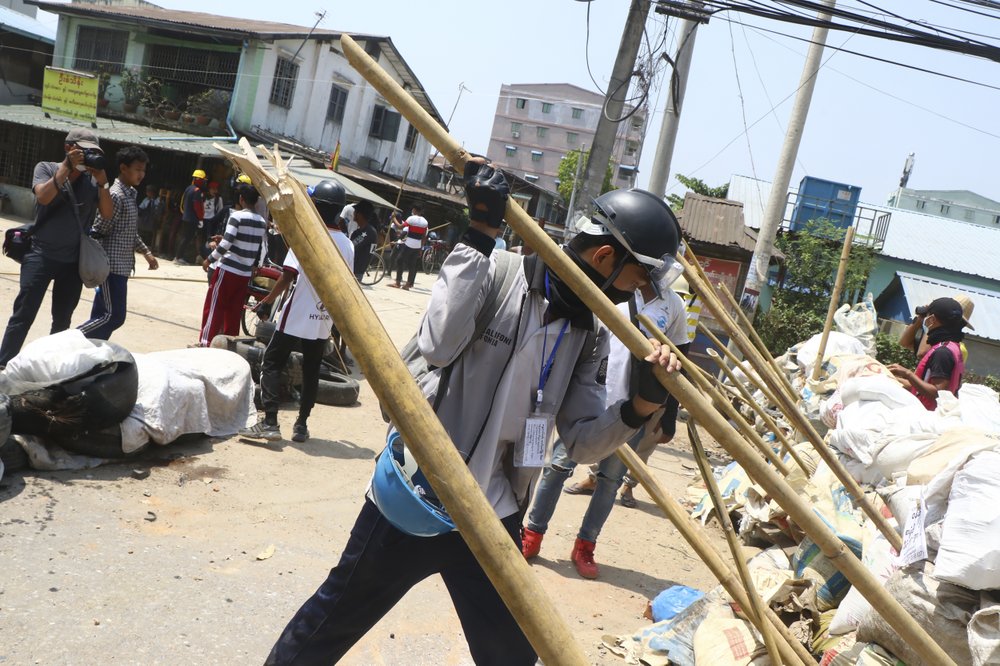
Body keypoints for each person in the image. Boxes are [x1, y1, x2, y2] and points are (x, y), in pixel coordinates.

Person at [263, 161, 681, 666]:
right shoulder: (497, 274)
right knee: (330, 622)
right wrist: (479, 235)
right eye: (638, 277)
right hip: (422, 493)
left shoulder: (587, 333)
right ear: (606, 255)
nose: (637, 291)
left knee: (510, 654)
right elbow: (438, 345)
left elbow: (583, 442)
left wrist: (639, 407)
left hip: (495, 514)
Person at [521, 275, 689, 579]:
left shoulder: (673, 304)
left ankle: (585, 545)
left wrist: (668, 416)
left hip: (632, 409)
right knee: (557, 466)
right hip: (590, 397)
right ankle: (532, 533)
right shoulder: (615, 288)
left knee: (610, 480)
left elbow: (680, 358)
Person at [240, 180, 354, 443]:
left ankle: (269, 422)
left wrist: (267, 300)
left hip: (297, 313)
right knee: (312, 369)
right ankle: (301, 425)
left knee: (271, 361)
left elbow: (287, 276)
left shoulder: (307, 236)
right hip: (323, 317)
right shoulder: (348, 245)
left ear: (318, 207)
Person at [0, 128, 113, 367]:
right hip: (40, 255)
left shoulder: (93, 181)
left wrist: (103, 184)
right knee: (23, 315)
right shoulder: (47, 168)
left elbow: (107, 213)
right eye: (83, 151)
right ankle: (3, 364)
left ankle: (50, 368)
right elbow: (43, 196)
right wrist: (66, 169)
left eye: (92, 152)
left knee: (62, 321)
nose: (87, 156)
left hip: (72, 263)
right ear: (68, 148)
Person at [77, 146, 159, 340]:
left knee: (102, 315)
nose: (141, 174)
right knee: (113, 316)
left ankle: (91, 352)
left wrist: (146, 252)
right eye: (138, 169)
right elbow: (99, 228)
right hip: (110, 267)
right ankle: (73, 337)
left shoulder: (130, 194)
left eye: (143, 170)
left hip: (122, 267)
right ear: (123, 168)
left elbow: (129, 231)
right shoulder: (115, 195)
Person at [196, 182, 268, 346]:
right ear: (256, 201)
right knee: (234, 312)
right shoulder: (262, 222)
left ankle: (206, 342)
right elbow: (259, 248)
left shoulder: (236, 217)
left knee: (214, 307)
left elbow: (226, 244)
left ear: (241, 199)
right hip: (244, 274)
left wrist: (209, 259)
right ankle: (229, 345)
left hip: (228, 269)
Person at [889, 296, 971, 410]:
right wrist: (889, 377)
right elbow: (920, 387)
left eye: (927, 316)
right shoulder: (951, 347)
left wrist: (907, 373)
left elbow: (939, 394)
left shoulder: (942, 352)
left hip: (926, 416)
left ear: (932, 320)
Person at [388, 203, 428, 290]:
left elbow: (400, 226)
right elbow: (424, 237)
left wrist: (393, 218)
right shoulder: (425, 222)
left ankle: (398, 282)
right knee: (412, 265)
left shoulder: (411, 218)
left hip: (409, 243)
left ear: (414, 210)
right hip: (417, 246)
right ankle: (408, 284)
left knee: (400, 260)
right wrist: (421, 248)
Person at [173, 168, 207, 264]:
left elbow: (183, 203)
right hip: (192, 219)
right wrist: (200, 219)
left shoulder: (188, 188)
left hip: (186, 217)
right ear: (197, 179)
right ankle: (178, 257)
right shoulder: (197, 191)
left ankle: (179, 256)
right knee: (186, 238)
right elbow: (197, 206)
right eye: (202, 180)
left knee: (185, 238)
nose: (204, 182)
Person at [349, 200, 377, 281]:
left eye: (355, 212)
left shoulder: (368, 232)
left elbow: (351, 247)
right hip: (354, 269)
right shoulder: (360, 231)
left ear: (360, 214)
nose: (353, 214)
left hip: (356, 271)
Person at [136, 184, 162, 249]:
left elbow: (158, 210)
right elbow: (141, 208)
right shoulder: (146, 199)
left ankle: (148, 245)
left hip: (152, 218)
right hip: (144, 218)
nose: (147, 193)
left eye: (148, 191)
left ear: (152, 192)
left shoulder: (158, 200)